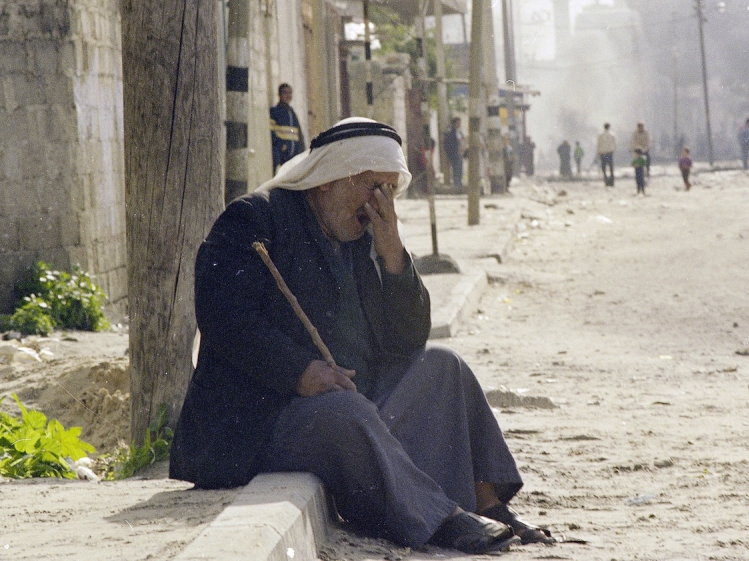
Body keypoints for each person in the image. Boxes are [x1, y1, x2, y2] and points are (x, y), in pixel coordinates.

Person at [170, 117, 553, 554]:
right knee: (343, 413)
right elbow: (224, 320)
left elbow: (407, 342)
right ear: (327, 181)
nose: (380, 203)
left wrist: (394, 256)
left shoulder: (364, 235)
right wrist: (300, 373)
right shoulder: (255, 219)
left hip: (356, 404)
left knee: (444, 366)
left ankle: (486, 505)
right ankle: (439, 518)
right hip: (263, 421)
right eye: (372, 186)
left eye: (389, 190)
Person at [270, 83, 306, 172]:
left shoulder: (292, 113)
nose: (288, 95)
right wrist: (280, 148)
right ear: (279, 95)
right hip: (282, 156)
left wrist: (302, 151)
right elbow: (271, 134)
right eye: (285, 93)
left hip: (294, 156)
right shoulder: (275, 111)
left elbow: (299, 134)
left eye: (290, 93)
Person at [443, 117, 465, 190]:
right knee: (456, 169)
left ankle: (459, 182)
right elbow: (448, 144)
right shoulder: (450, 133)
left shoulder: (459, 132)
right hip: (454, 153)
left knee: (460, 169)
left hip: (460, 153)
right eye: (458, 123)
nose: (459, 124)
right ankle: (457, 183)